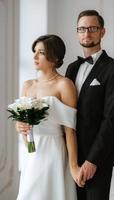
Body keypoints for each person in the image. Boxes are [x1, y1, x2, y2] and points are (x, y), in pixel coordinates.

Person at [66, 10, 114, 200]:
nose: (87, 33)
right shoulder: (72, 68)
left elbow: (111, 120)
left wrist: (93, 160)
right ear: (77, 32)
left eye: (92, 28)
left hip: (98, 157)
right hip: (69, 155)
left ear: (103, 32)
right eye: (82, 29)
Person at [15, 34, 82, 200]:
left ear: (54, 56)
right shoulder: (27, 85)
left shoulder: (64, 84)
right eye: (34, 51)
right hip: (32, 152)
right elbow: (23, 126)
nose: (35, 56)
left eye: (41, 52)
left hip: (53, 151)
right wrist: (20, 126)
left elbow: (70, 131)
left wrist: (74, 166)